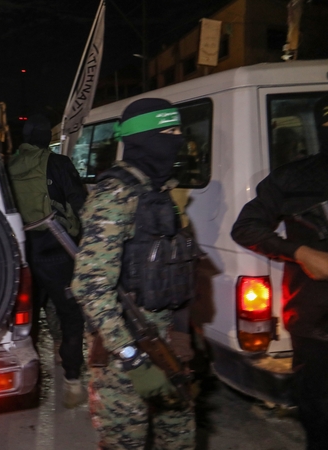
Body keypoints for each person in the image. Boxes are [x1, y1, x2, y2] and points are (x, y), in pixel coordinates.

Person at [71, 98, 197, 449]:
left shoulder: (165, 192)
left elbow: (180, 269)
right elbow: (90, 286)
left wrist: (183, 337)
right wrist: (131, 357)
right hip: (125, 348)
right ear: (143, 139)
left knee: (179, 436)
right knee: (127, 441)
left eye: (178, 131)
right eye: (167, 132)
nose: (176, 140)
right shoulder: (114, 195)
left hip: (168, 340)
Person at [231, 90, 328, 450]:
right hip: (318, 325)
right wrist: (299, 252)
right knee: (323, 416)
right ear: (319, 129)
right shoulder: (293, 178)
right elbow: (246, 228)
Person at [7, 114, 87, 408]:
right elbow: (80, 204)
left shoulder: (8, 166)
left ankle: (26, 375)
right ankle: (73, 382)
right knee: (71, 314)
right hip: (57, 249)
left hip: (23, 251)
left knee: (26, 315)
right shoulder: (58, 164)